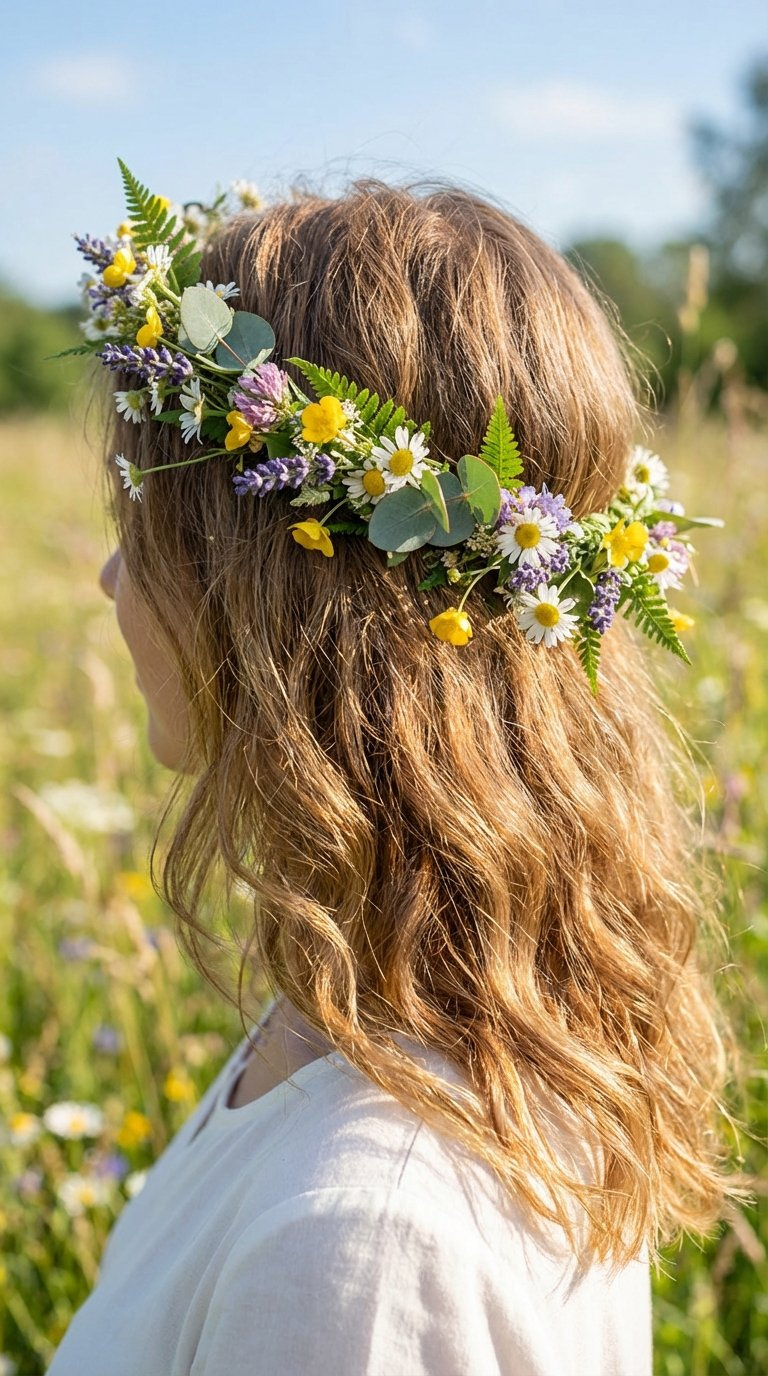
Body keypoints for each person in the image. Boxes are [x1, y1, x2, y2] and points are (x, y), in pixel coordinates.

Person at [49, 177, 737, 1374]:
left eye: (144, 522)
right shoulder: (381, 1016)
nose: (113, 578)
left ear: (271, 594)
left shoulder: (356, 1249)